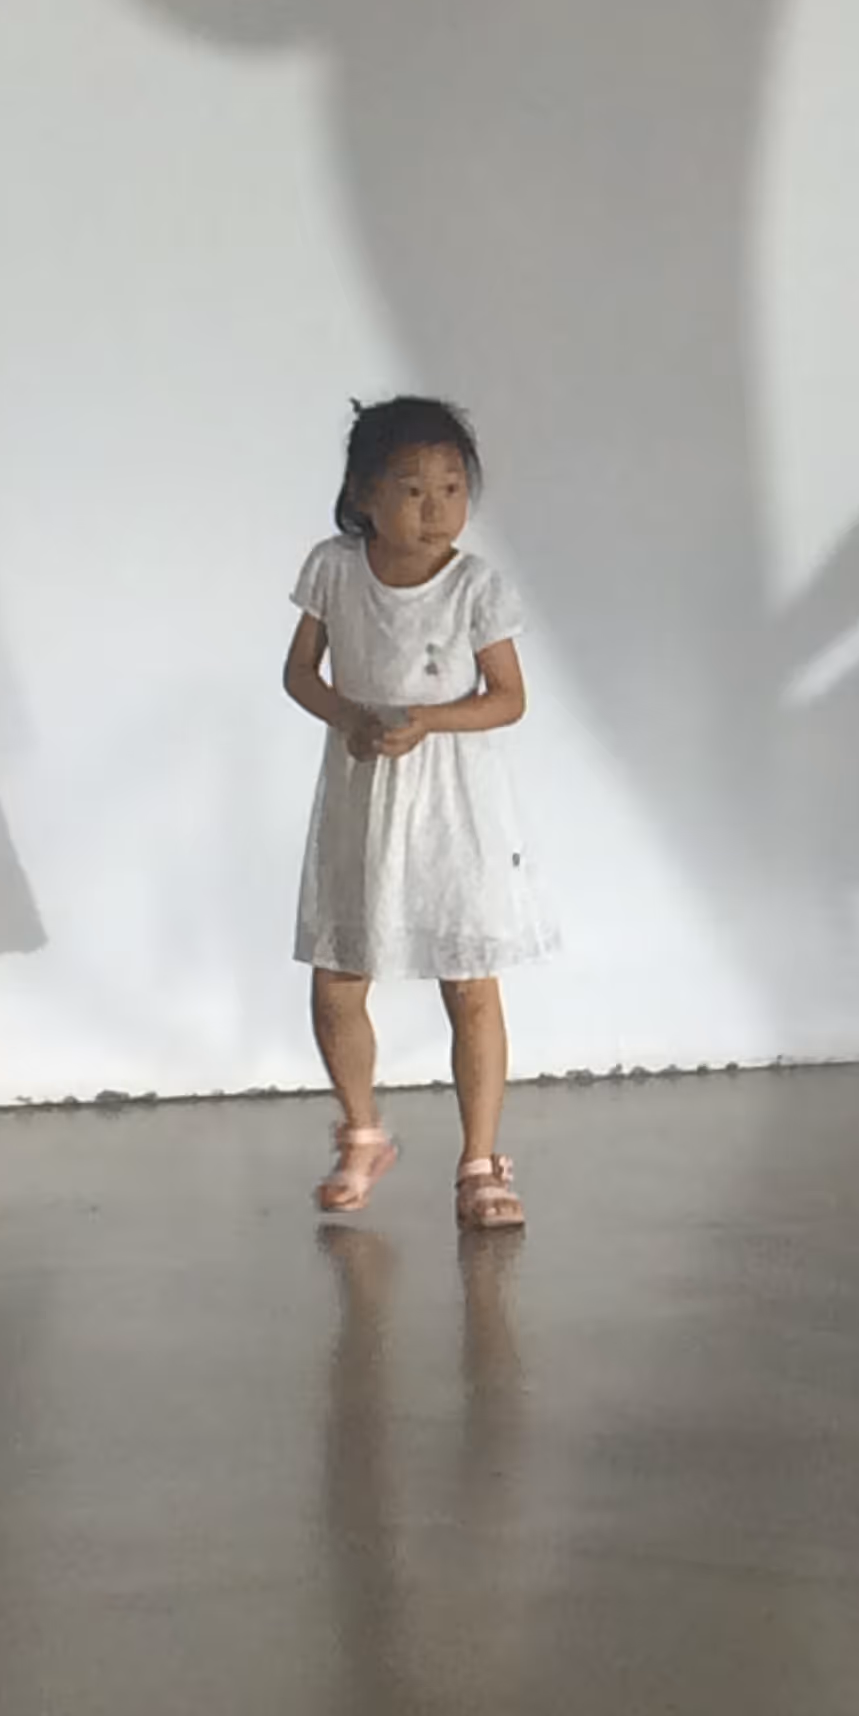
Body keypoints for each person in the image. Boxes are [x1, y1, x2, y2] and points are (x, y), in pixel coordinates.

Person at [282, 397, 554, 1227]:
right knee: (338, 976)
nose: (436, 508)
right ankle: (362, 1132)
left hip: (451, 805)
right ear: (363, 495)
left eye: (451, 488)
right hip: (362, 795)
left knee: (468, 983)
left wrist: (427, 720)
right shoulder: (334, 569)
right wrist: (351, 717)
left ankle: (480, 1162)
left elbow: (508, 697)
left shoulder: (476, 585)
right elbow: (300, 674)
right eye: (412, 489)